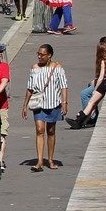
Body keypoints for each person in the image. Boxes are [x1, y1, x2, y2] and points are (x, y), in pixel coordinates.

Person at [20, 44, 68, 173]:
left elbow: (64, 86)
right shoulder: (34, 68)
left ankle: (50, 159)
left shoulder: (58, 68)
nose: (39, 57)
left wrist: (64, 103)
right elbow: (30, 88)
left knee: (51, 131)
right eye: (38, 54)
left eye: (42, 54)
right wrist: (25, 105)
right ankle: (40, 161)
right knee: (40, 130)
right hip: (39, 104)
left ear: (49, 55)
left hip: (53, 103)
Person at [68, 36, 106, 129]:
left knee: (91, 102)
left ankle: (79, 121)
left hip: (104, 84)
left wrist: (96, 88)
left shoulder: (103, 60)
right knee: (93, 103)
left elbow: (101, 77)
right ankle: (82, 121)